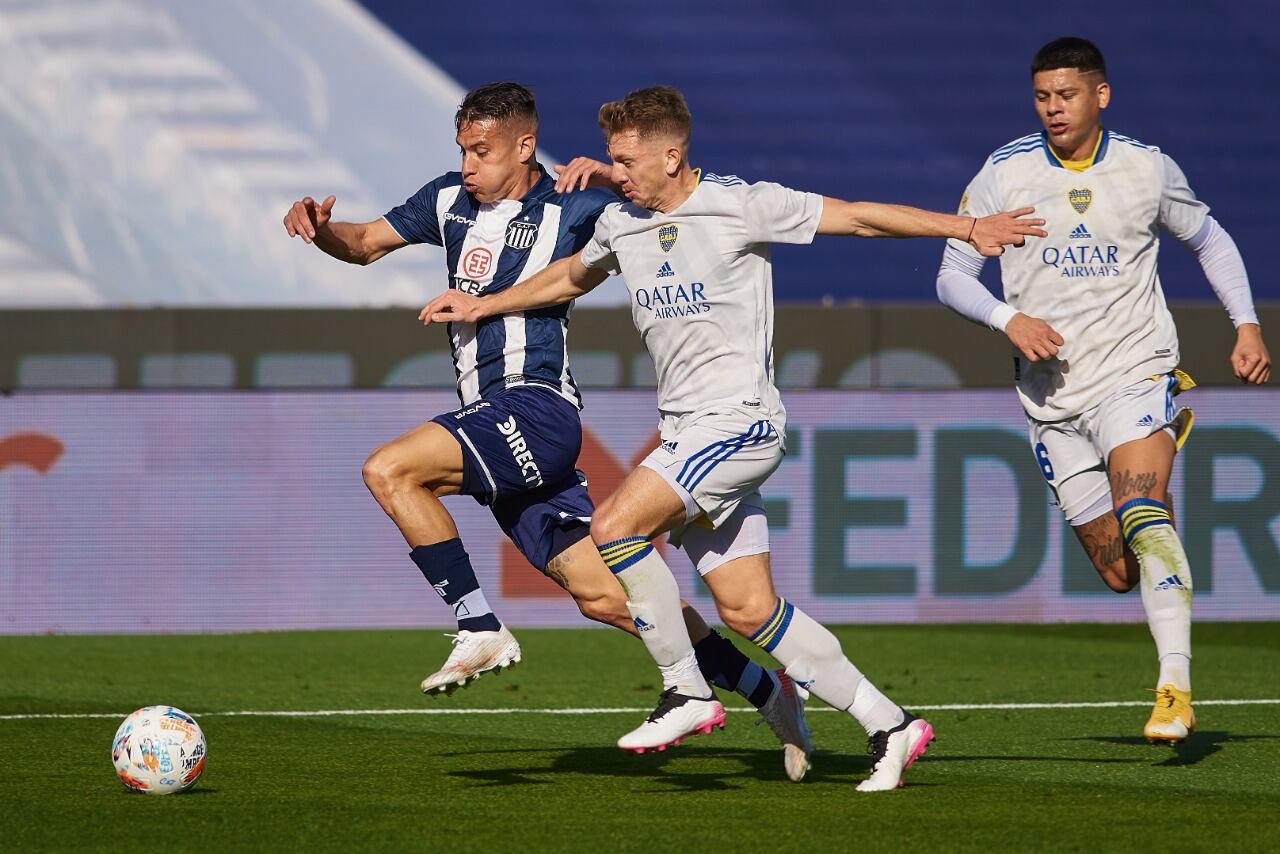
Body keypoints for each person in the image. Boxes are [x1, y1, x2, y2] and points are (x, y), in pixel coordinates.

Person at [422, 85, 1045, 790]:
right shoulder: (622, 223)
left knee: (615, 528)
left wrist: (965, 231)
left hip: (740, 420)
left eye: (626, 161)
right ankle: (892, 726)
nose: (613, 172)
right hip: (685, 429)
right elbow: (567, 276)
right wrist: (485, 303)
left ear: (671, 155)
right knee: (748, 608)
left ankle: (687, 692)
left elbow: (861, 218)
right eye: (612, 161)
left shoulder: (741, 203)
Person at [283, 82, 812, 779]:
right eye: (463, 150)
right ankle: (765, 688)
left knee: (390, 469)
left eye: (483, 150)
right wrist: (322, 229)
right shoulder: (446, 201)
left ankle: (478, 625)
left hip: (536, 408)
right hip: (491, 420)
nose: (469, 165)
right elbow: (363, 243)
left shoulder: (576, 206)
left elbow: (662, 205)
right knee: (611, 600)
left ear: (524, 145)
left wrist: (610, 178)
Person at [935, 37, 1270, 744]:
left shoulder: (1146, 168)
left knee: (1143, 509)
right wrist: (1009, 318)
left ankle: (1174, 688)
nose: (1053, 109)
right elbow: (951, 275)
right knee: (1118, 569)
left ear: (1101, 95)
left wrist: (1246, 326)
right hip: (1052, 399)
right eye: (1042, 97)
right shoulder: (1004, 171)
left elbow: (1211, 239)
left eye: (1067, 95)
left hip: (1134, 371)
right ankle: (1153, 544)